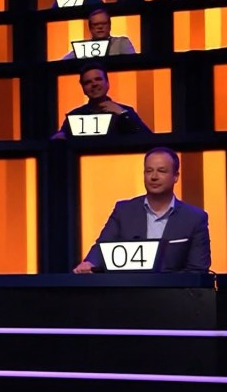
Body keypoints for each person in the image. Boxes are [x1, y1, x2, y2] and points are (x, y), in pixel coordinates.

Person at [73, 147, 211, 274]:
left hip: (173, 292)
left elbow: (197, 270)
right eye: (149, 171)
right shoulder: (124, 211)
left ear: (176, 176)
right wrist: (90, 263)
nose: (154, 177)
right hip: (129, 289)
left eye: (161, 171)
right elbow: (102, 246)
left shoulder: (194, 218)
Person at [52, 62, 152, 139]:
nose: (94, 84)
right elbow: (60, 139)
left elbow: (148, 138)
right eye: (88, 82)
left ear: (107, 83)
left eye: (98, 79)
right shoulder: (74, 115)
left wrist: (123, 114)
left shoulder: (125, 111)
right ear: (83, 89)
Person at [62, 8, 136, 60]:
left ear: (109, 26)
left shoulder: (121, 42)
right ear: (90, 28)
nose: (100, 27)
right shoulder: (83, 48)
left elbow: (133, 62)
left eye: (103, 23)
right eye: (95, 24)